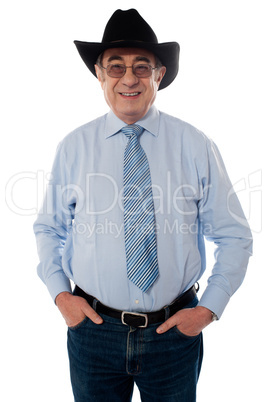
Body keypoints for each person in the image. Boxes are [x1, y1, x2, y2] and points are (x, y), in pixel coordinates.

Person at [33, 9, 252, 402]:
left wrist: (208, 309)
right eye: (115, 67)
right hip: (93, 333)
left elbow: (234, 235)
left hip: (174, 334)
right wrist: (60, 296)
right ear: (100, 75)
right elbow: (49, 228)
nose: (129, 78)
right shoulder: (74, 147)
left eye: (141, 66)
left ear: (159, 75)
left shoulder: (195, 145)